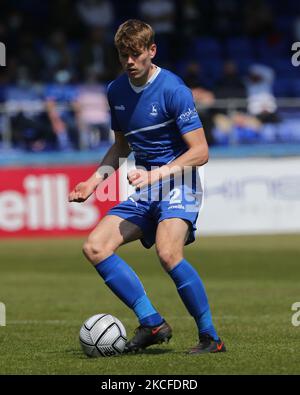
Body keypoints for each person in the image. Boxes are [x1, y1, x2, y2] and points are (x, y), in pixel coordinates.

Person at [69, 19, 226, 354]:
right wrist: (94, 181)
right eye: (123, 54)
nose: (129, 61)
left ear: (151, 51)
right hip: (145, 189)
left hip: (178, 183)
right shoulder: (115, 91)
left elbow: (201, 151)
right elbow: (121, 146)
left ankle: (211, 338)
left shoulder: (173, 89)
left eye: (136, 54)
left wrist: (156, 174)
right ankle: (152, 322)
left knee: (168, 253)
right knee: (95, 247)